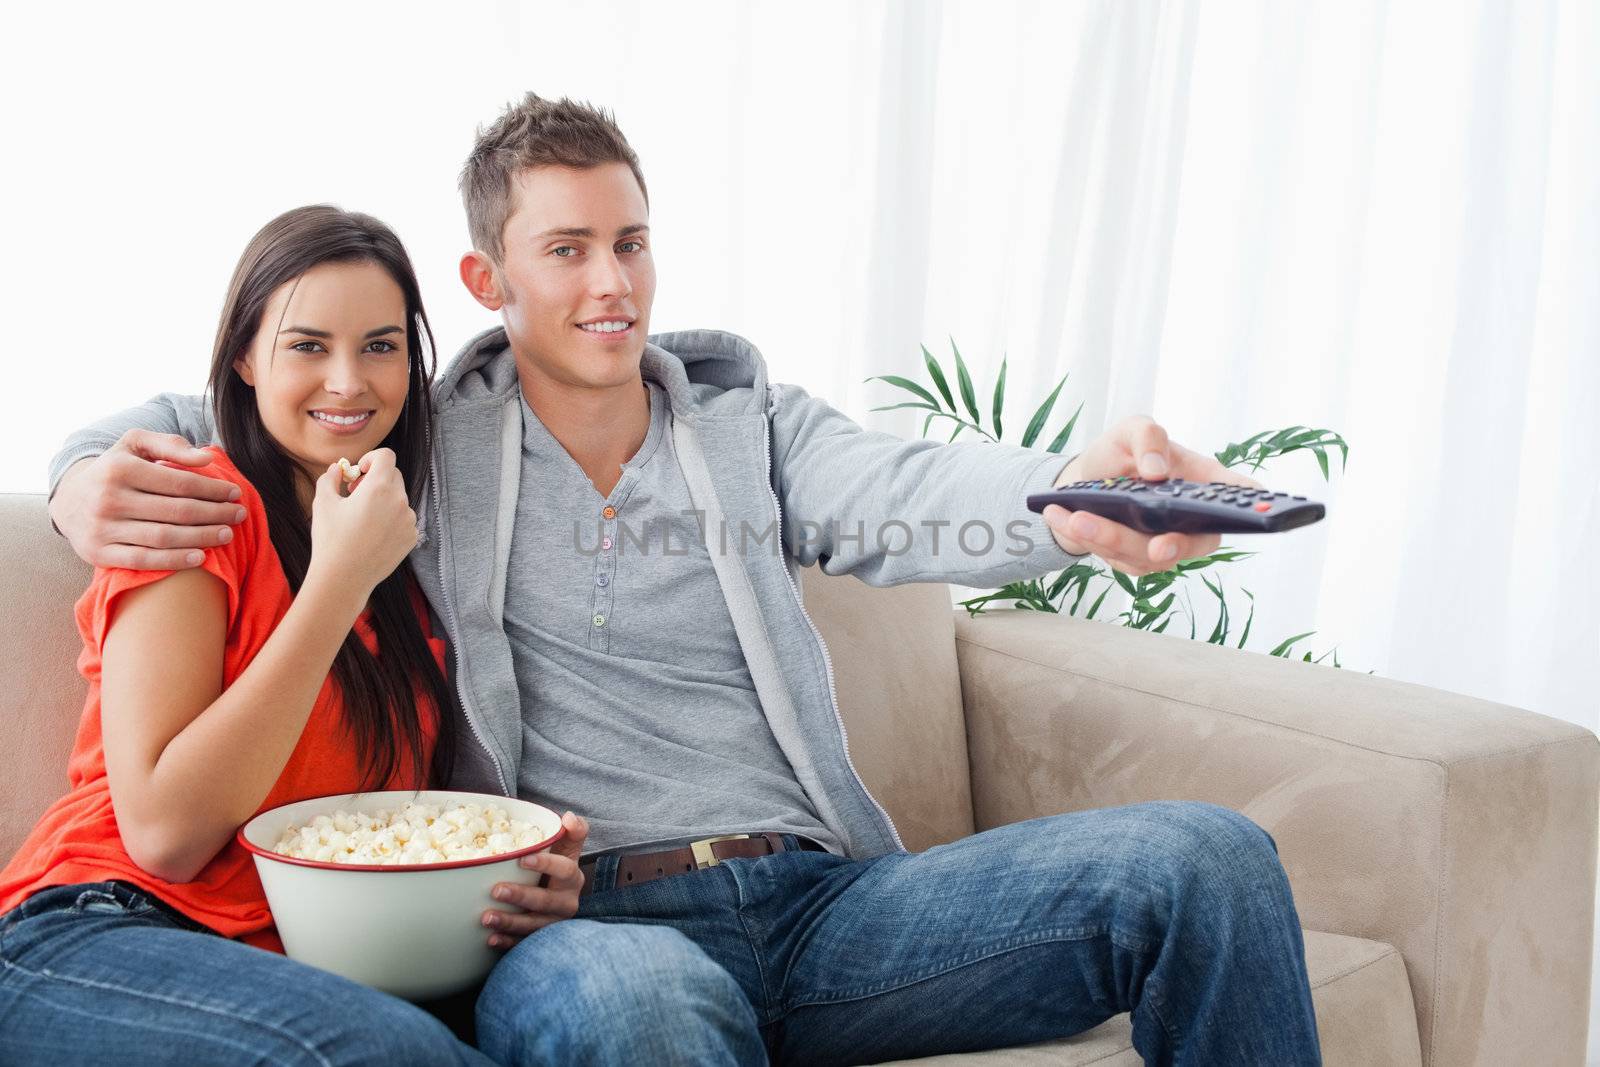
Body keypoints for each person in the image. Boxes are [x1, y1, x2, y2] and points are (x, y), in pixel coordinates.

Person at [43, 97, 1322, 1065]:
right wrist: (78, 475)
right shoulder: (419, 446)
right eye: (567, 250)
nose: (611, 284)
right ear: (488, 281)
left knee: (1201, 857)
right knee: (639, 1004)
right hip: (586, 928)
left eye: (631, 243)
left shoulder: (747, 423)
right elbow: (247, 396)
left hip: (830, 905)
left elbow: (905, 493)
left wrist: (1079, 500)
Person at [0, 205, 587, 1065]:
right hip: (98, 927)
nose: (348, 382)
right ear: (243, 358)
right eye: (308, 346)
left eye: (380, 346)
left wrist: (516, 880)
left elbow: (369, 844)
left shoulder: (408, 574)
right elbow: (167, 830)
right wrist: (337, 581)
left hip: (295, 967)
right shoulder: (197, 506)